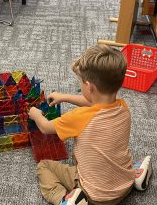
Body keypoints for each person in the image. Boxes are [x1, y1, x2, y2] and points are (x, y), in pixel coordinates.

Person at [28, 44, 153, 205]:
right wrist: (65, 97)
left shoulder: (78, 118)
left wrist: (36, 115)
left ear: (89, 86)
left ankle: (64, 200)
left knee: (44, 166)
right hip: (124, 185)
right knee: (116, 154)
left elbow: (45, 127)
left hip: (96, 196)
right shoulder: (123, 107)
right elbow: (95, 104)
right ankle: (136, 175)